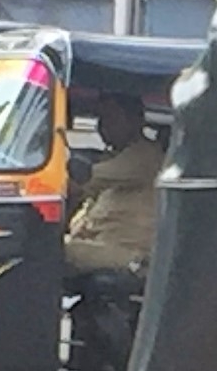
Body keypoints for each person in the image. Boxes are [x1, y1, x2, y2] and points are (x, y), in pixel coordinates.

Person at [64, 94, 163, 277]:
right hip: (103, 244)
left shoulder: (143, 156)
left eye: (110, 118)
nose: (102, 126)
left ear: (135, 120)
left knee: (49, 252)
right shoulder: (115, 158)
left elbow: (84, 180)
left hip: (128, 253)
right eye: (100, 119)